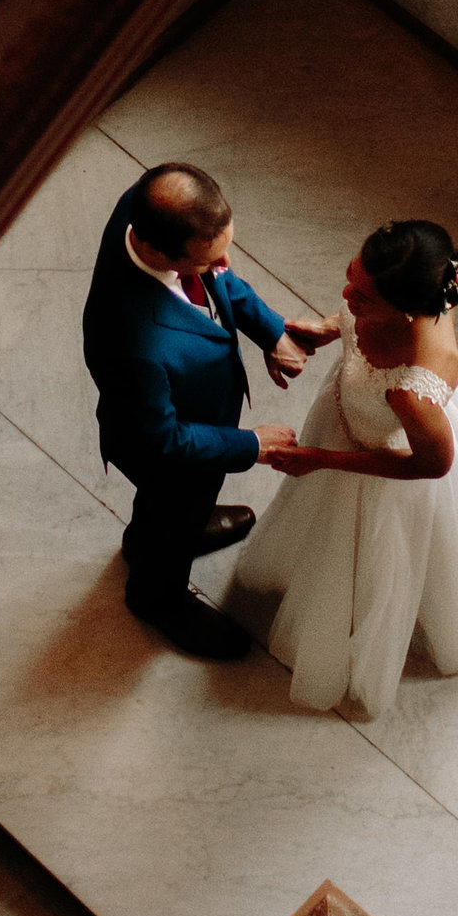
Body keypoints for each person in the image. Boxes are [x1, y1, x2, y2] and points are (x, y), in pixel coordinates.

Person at [233, 217, 458, 721]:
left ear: (406, 309)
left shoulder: (413, 391)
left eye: (364, 298)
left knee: (368, 567)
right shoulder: (436, 279)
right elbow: (365, 312)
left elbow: (431, 465)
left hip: (380, 455)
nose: (346, 295)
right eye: (352, 276)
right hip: (358, 405)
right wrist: (334, 327)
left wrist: (322, 460)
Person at [82, 162, 337, 659]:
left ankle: (153, 537)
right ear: (156, 251)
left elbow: (219, 277)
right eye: (206, 260)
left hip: (193, 412)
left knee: (170, 516)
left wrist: (270, 331)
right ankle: (156, 598)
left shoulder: (152, 206)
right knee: (173, 505)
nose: (222, 263)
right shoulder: (132, 340)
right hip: (167, 448)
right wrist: (253, 445)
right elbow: (164, 441)